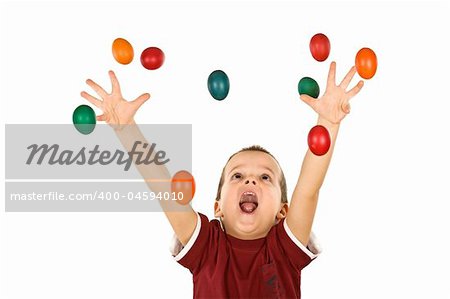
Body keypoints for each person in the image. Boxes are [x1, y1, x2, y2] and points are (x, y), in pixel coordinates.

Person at [81, 62, 363, 298]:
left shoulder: (284, 248)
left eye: (265, 177)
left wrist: (328, 123)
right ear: (217, 208)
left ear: (283, 211)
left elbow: (308, 189)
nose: (250, 181)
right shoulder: (207, 246)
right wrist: (126, 130)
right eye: (237, 175)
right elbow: (164, 192)